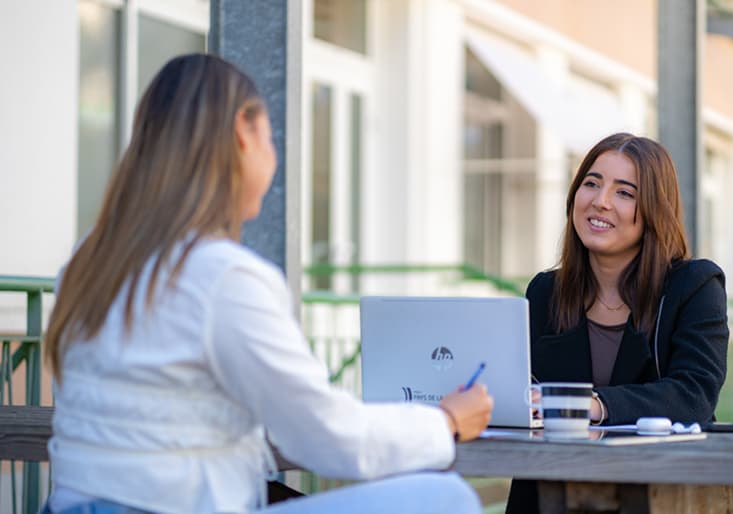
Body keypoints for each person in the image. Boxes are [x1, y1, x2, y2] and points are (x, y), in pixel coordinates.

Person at [43, 53, 493, 514]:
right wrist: (445, 421)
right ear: (243, 131)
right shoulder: (222, 276)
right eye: (270, 136)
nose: (273, 154)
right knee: (447, 498)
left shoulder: (89, 259)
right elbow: (328, 436)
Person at [505, 133, 729, 513]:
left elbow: (694, 394)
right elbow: (528, 391)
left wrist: (594, 405)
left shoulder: (694, 286)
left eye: (624, 192)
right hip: (552, 489)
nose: (601, 201)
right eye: (591, 184)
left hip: (657, 492)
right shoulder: (545, 291)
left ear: (655, 210)